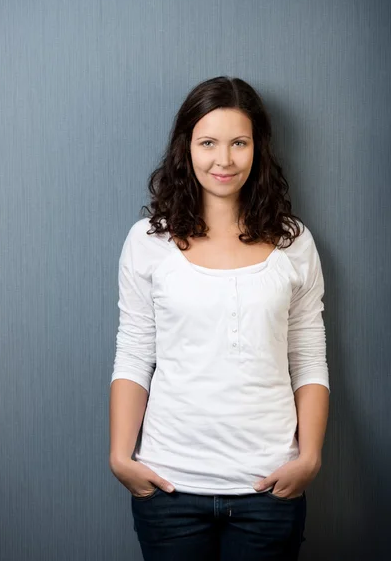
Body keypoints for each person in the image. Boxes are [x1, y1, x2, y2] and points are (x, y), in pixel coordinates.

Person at [109, 76, 330, 560]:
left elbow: (309, 357)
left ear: (258, 149)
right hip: (168, 489)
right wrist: (121, 458)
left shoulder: (295, 242)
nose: (224, 160)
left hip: (270, 490)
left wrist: (310, 457)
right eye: (208, 142)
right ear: (185, 148)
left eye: (239, 143)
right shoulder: (148, 241)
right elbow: (134, 351)